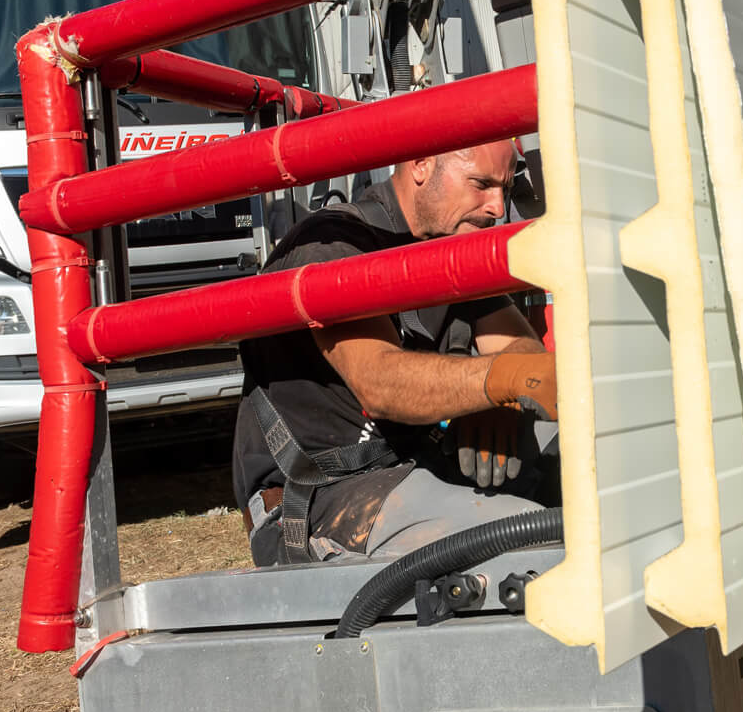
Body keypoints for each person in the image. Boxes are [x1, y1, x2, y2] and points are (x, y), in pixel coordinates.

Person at [233, 140, 559, 566]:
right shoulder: (332, 246)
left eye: (506, 186)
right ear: (421, 162)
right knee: (532, 539)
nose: (498, 207)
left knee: (600, 468)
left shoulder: (453, 243)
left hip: (419, 465)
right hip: (329, 495)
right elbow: (381, 383)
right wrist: (498, 380)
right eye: (481, 184)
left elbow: (521, 350)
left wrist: (496, 401)